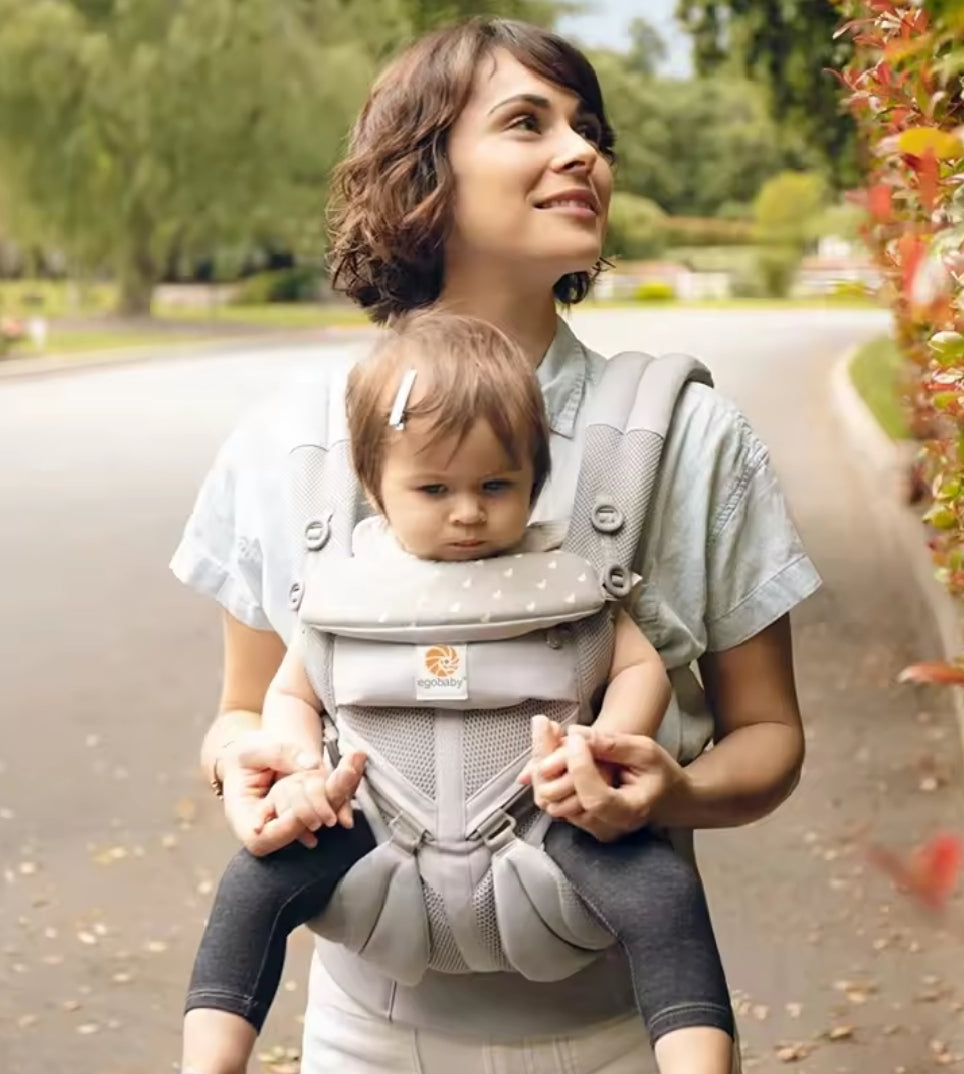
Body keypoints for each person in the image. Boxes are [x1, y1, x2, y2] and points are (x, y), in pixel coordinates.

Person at [171, 16, 821, 1073]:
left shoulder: (691, 437)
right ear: (424, 172)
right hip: (363, 1040)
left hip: (624, 1033)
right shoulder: (285, 441)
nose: (584, 154)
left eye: (590, 130)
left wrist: (673, 790)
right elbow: (242, 712)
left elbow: (771, 741)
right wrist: (246, 762)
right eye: (529, 123)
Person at [180, 313, 735, 1074]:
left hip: (549, 819)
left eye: (496, 485)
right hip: (370, 821)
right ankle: (209, 1060)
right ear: (375, 489)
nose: (468, 511)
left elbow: (637, 667)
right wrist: (300, 767)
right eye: (434, 488)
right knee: (252, 887)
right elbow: (291, 692)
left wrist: (604, 742)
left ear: (535, 482)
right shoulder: (348, 591)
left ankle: (697, 1061)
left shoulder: (569, 585)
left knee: (664, 894)